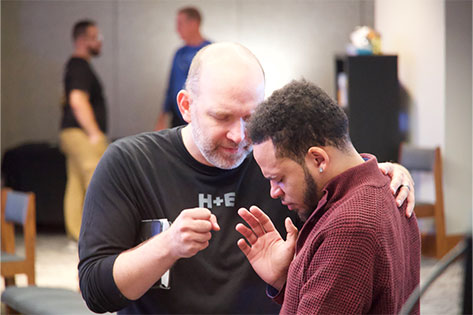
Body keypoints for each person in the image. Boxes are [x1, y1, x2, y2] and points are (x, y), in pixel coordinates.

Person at [78, 42, 415, 314]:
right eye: (222, 117)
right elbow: (96, 292)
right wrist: (166, 247)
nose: (239, 136)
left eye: (251, 118)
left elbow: (343, 184)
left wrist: (378, 173)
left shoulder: (277, 158)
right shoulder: (129, 163)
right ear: (185, 105)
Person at [236, 79, 420, 314]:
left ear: (318, 159)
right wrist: (286, 280)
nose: (274, 191)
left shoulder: (349, 225)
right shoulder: (386, 187)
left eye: (279, 178)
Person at [59, 20, 108, 241]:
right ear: (81, 40)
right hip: (80, 133)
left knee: (76, 184)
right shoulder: (79, 65)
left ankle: (78, 234)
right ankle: (100, 236)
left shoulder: (77, 65)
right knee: (97, 177)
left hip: (72, 133)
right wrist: (94, 132)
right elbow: (77, 99)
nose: (99, 42)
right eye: (94, 37)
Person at [154, 6, 211, 130]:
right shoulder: (179, 53)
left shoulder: (211, 51)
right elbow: (170, 87)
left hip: (202, 118)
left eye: (180, 24)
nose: (177, 29)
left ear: (193, 24)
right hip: (178, 118)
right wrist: (162, 117)